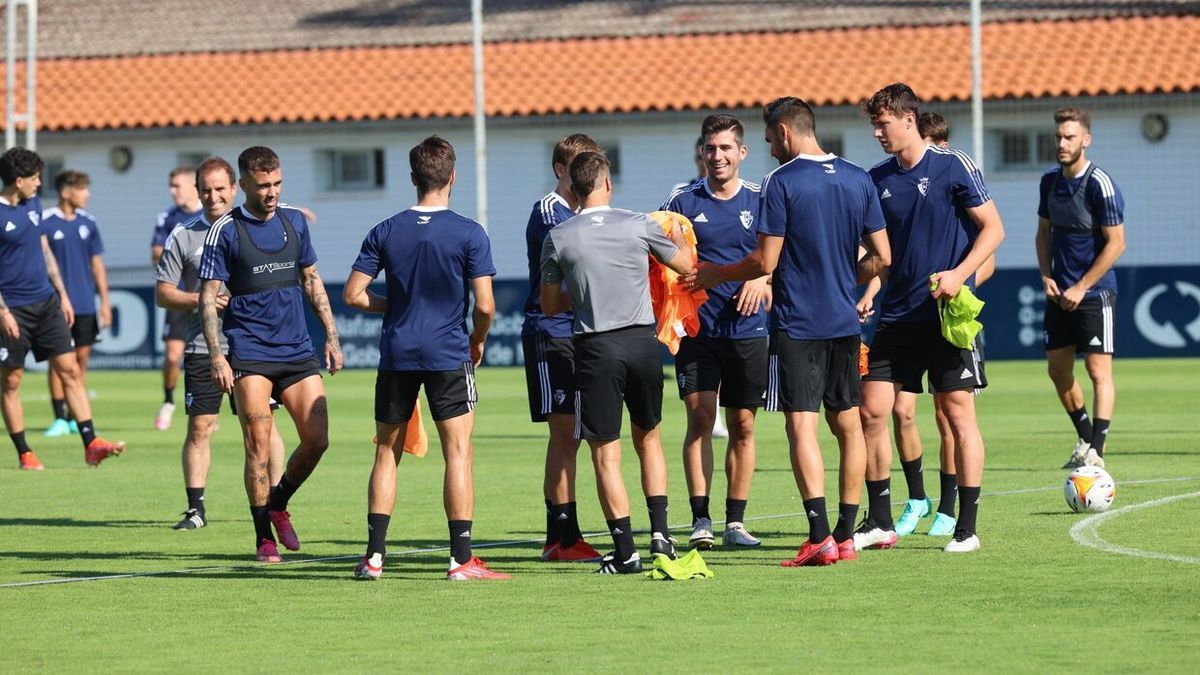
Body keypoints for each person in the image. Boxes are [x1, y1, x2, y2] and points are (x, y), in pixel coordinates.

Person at [691, 97, 890, 566]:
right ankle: (845, 533)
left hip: (797, 323)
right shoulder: (859, 177)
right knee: (848, 425)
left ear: (784, 131)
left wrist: (716, 275)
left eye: (767, 139)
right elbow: (882, 257)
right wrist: (845, 280)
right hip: (844, 322)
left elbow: (764, 261)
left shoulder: (781, 182)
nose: (769, 149)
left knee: (801, 425)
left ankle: (818, 533)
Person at [345, 136, 508, 581]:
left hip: (397, 352)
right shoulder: (469, 232)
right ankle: (460, 559)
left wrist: (393, 306)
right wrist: (478, 338)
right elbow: (487, 305)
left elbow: (353, 294)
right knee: (458, 453)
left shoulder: (386, 229)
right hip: (447, 352)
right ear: (452, 177)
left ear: (414, 178)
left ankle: (374, 558)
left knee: (386, 453)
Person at [858, 83, 1005, 554]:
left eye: (883, 123)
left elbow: (994, 228)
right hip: (896, 319)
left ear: (908, 119)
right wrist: (861, 280)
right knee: (872, 411)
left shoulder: (953, 166)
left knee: (958, 417)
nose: (878, 132)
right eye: (874, 125)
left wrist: (960, 275)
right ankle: (879, 519)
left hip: (944, 318)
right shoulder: (875, 178)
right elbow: (876, 252)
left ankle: (966, 525)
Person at [540, 151, 694, 574]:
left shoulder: (559, 235)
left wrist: (586, 289)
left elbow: (550, 305)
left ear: (573, 189)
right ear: (608, 184)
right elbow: (684, 265)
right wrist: (680, 233)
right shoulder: (638, 223)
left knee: (606, 453)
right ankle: (661, 533)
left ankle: (626, 552)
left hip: (595, 349)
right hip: (643, 344)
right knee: (650, 439)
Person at [198, 145, 342, 562]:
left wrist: (331, 336)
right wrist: (217, 355)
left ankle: (278, 502)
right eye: (263, 185)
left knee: (317, 439)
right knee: (258, 445)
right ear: (244, 185)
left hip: (297, 349)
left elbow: (312, 280)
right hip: (249, 352)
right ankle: (263, 536)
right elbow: (208, 298)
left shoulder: (295, 222)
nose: (272, 191)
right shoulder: (225, 231)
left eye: (277, 183)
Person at [156, 157, 286, 530]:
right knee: (201, 426)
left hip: (255, 345)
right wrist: (203, 299)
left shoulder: (259, 227)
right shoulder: (183, 234)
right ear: (197, 193)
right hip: (202, 346)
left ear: (235, 188)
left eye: (219, 189)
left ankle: (275, 502)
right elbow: (163, 293)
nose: (213, 196)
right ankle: (196, 509)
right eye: (205, 190)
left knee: (264, 427)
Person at [660, 114, 768, 550]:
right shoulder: (682, 199)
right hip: (697, 330)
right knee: (701, 418)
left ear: (742, 152)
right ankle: (700, 518)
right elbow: (661, 253)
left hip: (748, 328)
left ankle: (735, 522)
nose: (717, 156)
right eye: (710, 148)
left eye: (726, 148)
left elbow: (782, 254)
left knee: (743, 424)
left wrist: (764, 280)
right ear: (701, 152)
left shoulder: (763, 199)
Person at [1, 147, 126, 470]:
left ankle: (91, 442)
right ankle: (24, 452)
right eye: (34, 178)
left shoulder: (32, 205)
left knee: (70, 369)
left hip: (47, 303)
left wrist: (62, 295)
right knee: (12, 381)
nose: (39, 182)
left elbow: (44, 250)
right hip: (12, 309)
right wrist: (2, 312)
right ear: (18, 180)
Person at [521, 134, 605, 563]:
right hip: (551, 330)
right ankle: (562, 537)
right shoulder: (550, 211)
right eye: (578, 165)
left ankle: (564, 535)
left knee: (579, 431)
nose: (586, 173)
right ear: (560, 170)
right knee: (565, 433)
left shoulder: (580, 213)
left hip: (580, 331)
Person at [1037, 107, 1125, 469]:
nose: (1062, 143)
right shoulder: (1049, 182)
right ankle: (1085, 436)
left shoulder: (1099, 184)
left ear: (1086, 140)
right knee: (1058, 371)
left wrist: (1082, 286)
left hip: (1096, 293)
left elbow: (1117, 243)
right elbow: (1043, 234)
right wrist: (1047, 275)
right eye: (1058, 136)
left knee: (1097, 371)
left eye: (1069, 136)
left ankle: (1098, 452)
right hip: (1060, 294)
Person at [41, 171, 111, 438]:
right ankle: (59, 417)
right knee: (58, 361)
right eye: (82, 189)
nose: (87, 194)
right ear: (65, 192)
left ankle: (74, 415)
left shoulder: (89, 223)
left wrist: (104, 301)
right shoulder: (46, 222)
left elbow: (97, 265)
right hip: (55, 305)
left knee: (81, 360)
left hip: (84, 303)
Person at [152, 167, 203, 431]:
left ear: (194, 186)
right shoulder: (168, 218)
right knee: (173, 357)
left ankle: (208, 406)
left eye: (177, 185)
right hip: (180, 297)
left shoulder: (211, 214)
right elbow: (156, 253)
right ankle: (169, 401)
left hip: (210, 299)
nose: (172, 191)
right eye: (170, 186)